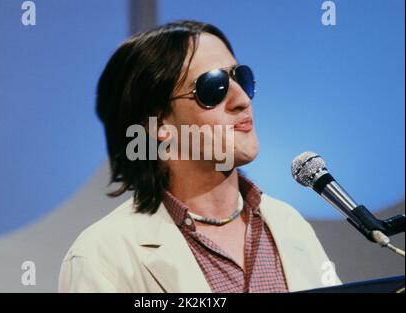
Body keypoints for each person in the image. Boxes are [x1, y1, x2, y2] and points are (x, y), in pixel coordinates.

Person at [58, 20, 341, 293]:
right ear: (157, 123)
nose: (243, 99)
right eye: (213, 87)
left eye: (240, 78)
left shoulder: (289, 225)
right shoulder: (102, 256)